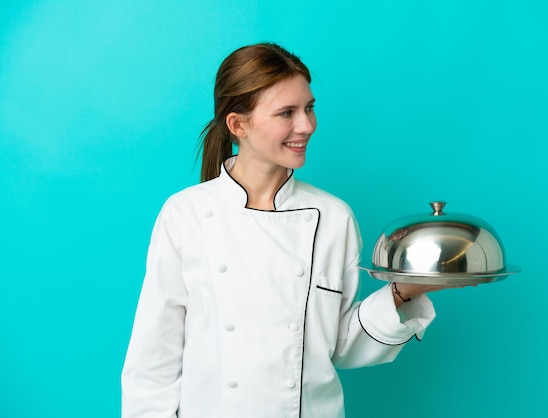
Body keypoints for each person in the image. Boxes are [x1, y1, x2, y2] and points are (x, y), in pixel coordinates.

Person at [121, 42, 451, 418]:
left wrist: (404, 292)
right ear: (238, 124)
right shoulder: (186, 214)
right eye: (286, 113)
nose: (307, 125)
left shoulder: (333, 217)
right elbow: (153, 360)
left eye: (309, 108)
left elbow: (340, 345)